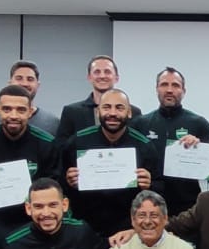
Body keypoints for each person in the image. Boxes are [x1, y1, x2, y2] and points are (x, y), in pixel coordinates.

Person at [0, 84, 62, 242]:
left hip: (33, 224)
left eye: (21, 110)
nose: (13, 115)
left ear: (30, 112)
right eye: (7, 109)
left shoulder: (47, 143)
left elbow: (54, 186)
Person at [62, 89, 159, 238]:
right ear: (97, 112)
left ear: (129, 113)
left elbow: (161, 189)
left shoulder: (144, 146)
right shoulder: (77, 142)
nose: (112, 113)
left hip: (128, 230)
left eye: (119, 108)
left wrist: (149, 185)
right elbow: (58, 185)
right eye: (106, 107)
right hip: (85, 229)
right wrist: (68, 182)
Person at [132, 67, 209, 216]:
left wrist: (199, 148)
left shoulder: (199, 124)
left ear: (184, 91)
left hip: (187, 207)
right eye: (164, 84)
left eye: (175, 85)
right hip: (149, 207)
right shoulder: (140, 124)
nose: (169, 90)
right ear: (157, 89)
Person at [55, 55, 142, 143]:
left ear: (116, 78)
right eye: (97, 72)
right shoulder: (71, 112)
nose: (102, 76)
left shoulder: (134, 112)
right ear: (89, 77)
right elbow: (61, 148)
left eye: (107, 72)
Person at [0, 60, 61, 135]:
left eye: (30, 79)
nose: (24, 83)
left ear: (38, 84)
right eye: (19, 78)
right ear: (10, 82)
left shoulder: (52, 123)